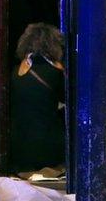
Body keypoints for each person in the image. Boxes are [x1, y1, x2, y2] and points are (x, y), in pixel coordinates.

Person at [9, 23, 66, 173]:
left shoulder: (16, 71)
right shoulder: (56, 71)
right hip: (50, 146)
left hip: (19, 147)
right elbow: (66, 101)